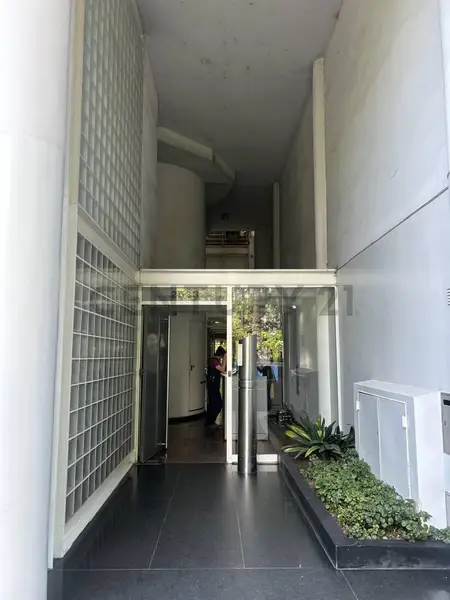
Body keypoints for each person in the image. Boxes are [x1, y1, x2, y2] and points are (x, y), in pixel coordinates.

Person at [205, 346, 227, 431]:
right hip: (213, 386)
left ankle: (211, 422)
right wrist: (225, 358)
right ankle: (210, 423)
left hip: (213, 386)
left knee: (216, 403)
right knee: (216, 404)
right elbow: (222, 369)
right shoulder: (214, 360)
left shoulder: (213, 360)